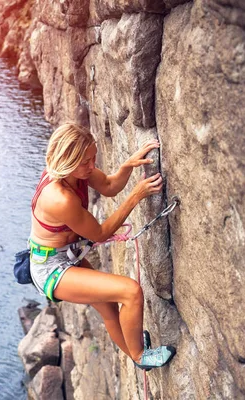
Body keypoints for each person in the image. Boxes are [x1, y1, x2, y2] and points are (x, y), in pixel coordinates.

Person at [29, 122, 176, 370]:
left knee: (109, 307)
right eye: (86, 161)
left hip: (67, 255)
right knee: (130, 292)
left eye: (93, 158)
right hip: (51, 269)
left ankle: (133, 350)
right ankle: (140, 356)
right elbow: (99, 233)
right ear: (68, 160)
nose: (92, 166)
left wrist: (128, 165)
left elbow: (109, 186)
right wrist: (136, 196)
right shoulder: (60, 198)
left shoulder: (77, 172)